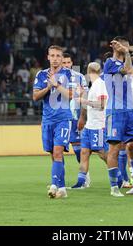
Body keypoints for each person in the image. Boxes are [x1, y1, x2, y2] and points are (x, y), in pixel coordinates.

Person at [103, 36, 133, 197]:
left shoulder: (125, 57)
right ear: (114, 47)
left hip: (131, 112)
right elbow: (127, 70)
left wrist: (126, 49)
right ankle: (114, 187)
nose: (125, 49)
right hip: (115, 112)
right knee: (114, 149)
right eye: (122, 47)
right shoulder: (110, 62)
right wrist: (125, 52)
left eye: (127, 47)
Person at [33, 45, 73, 199]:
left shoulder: (69, 74)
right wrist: (49, 86)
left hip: (63, 119)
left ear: (62, 58)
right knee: (54, 154)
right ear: (48, 57)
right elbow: (35, 96)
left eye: (58, 56)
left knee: (57, 152)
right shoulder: (41, 75)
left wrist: (57, 85)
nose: (55, 59)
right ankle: (62, 188)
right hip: (47, 120)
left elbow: (71, 95)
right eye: (53, 56)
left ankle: (54, 185)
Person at [70, 62, 108, 189]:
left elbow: (101, 105)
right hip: (89, 125)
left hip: (98, 125)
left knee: (102, 153)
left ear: (88, 71)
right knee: (84, 152)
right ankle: (80, 183)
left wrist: (83, 100)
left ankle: (119, 176)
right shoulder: (94, 85)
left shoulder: (100, 85)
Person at [62, 53, 89, 184]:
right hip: (62, 116)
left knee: (78, 148)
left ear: (71, 63)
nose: (66, 65)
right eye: (64, 63)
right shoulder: (57, 77)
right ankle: (58, 180)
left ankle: (85, 176)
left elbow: (86, 93)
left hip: (76, 116)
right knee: (58, 148)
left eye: (68, 62)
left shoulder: (79, 77)